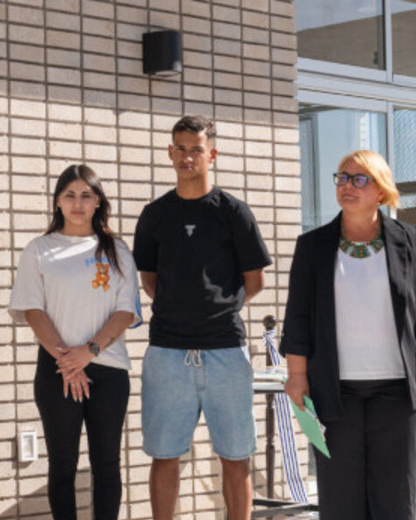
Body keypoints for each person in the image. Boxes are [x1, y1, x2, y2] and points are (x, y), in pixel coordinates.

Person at [281, 150, 416, 520]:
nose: (347, 186)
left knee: (395, 497)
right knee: (340, 498)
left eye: (360, 179)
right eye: (342, 177)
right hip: (334, 393)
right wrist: (296, 375)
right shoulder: (312, 247)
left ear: (381, 191)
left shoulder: (410, 238)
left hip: (397, 393)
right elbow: (298, 317)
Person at [133, 115, 271, 520]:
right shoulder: (155, 215)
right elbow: (149, 279)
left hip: (226, 350)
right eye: (180, 148)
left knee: (235, 455)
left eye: (196, 149)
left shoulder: (233, 212)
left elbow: (255, 280)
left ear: (211, 154)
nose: (187, 157)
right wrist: (182, 312)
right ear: (169, 153)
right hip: (166, 352)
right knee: (164, 455)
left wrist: (216, 310)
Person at [9, 164, 141, 520]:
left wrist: (89, 352)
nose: (78, 203)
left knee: (107, 465)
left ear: (98, 202)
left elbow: (125, 311)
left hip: (108, 370)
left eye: (86, 195)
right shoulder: (39, 249)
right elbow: (33, 310)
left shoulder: (116, 250)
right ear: (57, 202)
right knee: (63, 465)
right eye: (69, 195)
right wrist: (67, 360)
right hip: (56, 371)